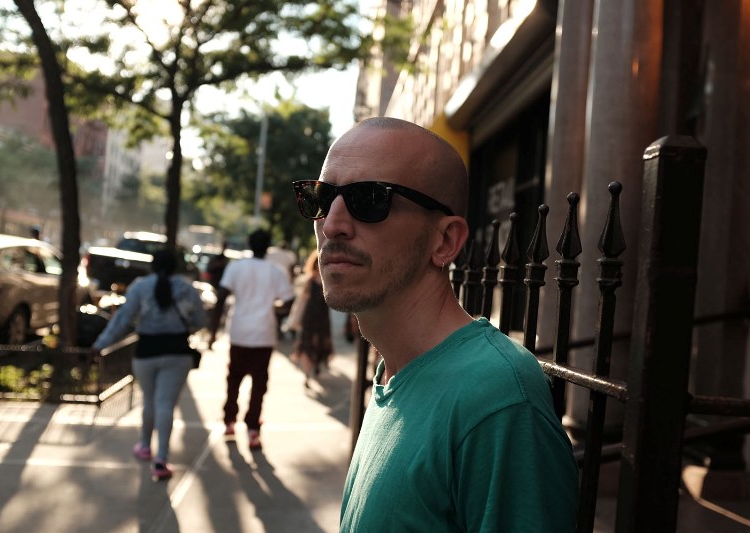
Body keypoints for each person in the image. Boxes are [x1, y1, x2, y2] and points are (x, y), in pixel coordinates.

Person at [292, 117, 579, 531]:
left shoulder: (497, 398)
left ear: (445, 241)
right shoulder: (394, 372)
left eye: (369, 199)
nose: (332, 225)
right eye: (320, 199)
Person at [91, 249, 207, 481]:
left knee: (149, 402)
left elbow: (122, 320)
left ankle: (144, 446)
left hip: (145, 352)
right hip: (177, 352)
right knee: (166, 405)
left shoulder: (140, 287)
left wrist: (100, 344)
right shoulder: (186, 288)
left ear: (152, 266)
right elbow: (200, 320)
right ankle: (161, 459)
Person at [208, 229, 294, 450]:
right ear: (268, 247)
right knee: (259, 384)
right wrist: (274, 309)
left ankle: (229, 421)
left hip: (239, 332)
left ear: (249, 243)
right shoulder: (275, 271)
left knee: (234, 379)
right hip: (263, 334)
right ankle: (253, 429)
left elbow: (221, 297)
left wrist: (212, 332)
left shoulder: (236, 267)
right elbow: (288, 300)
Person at [290, 250, 332, 387]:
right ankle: (307, 373)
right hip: (309, 318)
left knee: (320, 344)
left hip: (322, 319)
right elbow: (302, 301)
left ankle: (316, 368)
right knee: (308, 345)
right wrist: (296, 319)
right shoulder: (310, 281)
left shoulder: (328, 281)